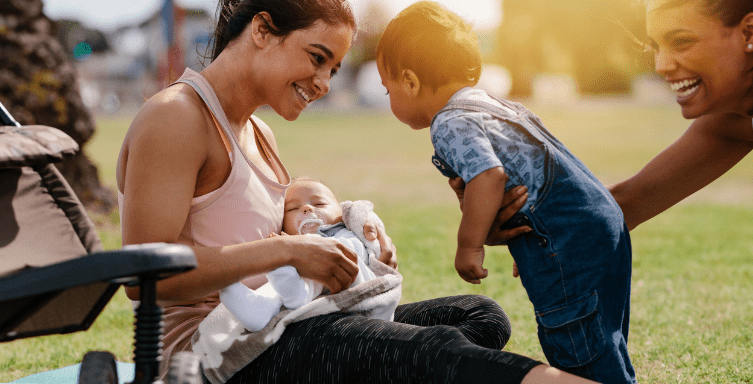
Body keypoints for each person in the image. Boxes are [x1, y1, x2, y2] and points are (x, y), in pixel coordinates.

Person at [115, 0, 597, 381]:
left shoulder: (259, 134)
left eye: (335, 69)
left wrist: (354, 239)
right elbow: (145, 274)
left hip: (279, 327)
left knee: (478, 315)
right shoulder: (176, 116)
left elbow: (283, 230)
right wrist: (287, 250)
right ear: (263, 30)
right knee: (433, 352)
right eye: (317, 58)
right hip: (209, 357)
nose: (324, 83)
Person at [375, 2, 635, 383]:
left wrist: (469, 245)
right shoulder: (495, 106)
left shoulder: (448, 121)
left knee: (579, 353)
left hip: (567, 237)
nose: (389, 99)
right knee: (602, 339)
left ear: (411, 82)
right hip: (599, 223)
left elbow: (489, 176)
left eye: (388, 90)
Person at [603, 0, 753, 379]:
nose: (662, 65)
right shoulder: (742, 113)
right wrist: (525, 218)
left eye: (681, 42)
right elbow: (628, 202)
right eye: (655, 47)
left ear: (750, 33)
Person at [219, 177, 385, 332]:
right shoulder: (291, 245)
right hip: (310, 302)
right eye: (292, 208)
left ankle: (296, 296)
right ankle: (259, 310)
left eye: (319, 204)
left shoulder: (346, 233)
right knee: (275, 284)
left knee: (326, 258)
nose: (307, 208)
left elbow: (364, 226)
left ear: (342, 214)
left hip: (348, 277)